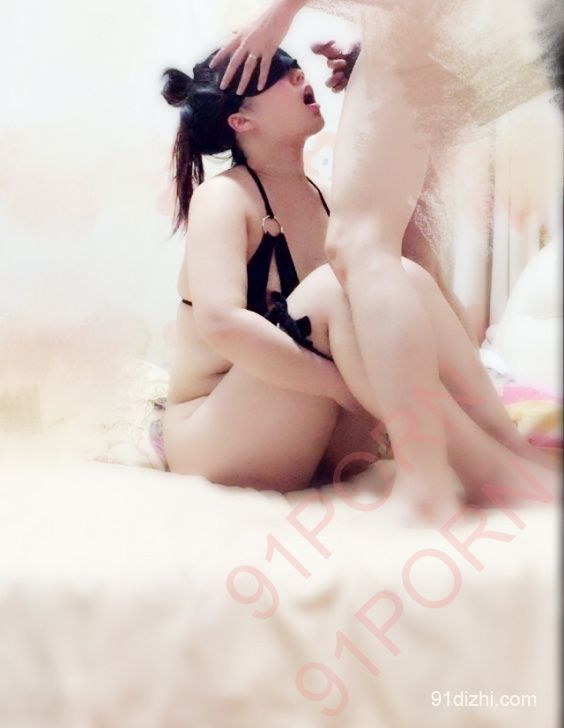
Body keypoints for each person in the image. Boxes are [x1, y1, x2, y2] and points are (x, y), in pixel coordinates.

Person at [209, 0, 555, 521]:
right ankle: (494, 458)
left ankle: (428, 480)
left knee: (360, 244)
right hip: (443, 13)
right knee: (377, 252)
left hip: (424, 11)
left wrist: (283, 7)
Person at [160, 47, 558, 514]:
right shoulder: (224, 197)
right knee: (339, 285)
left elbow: (414, 284)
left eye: (294, 66)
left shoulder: (330, 203)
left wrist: (377, 83)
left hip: (311, 428)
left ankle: (507, 444)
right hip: (216, 439)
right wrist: (342, 385)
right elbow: (221, 323)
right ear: (241, 121)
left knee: (395, 273)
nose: (298, 74)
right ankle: (485, 470)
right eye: (277, 74)